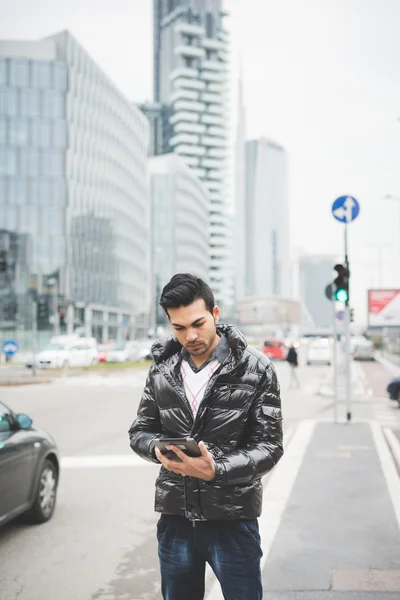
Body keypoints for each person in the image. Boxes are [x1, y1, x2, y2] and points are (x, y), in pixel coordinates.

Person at [129, 274, 283, 600]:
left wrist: (219, 469)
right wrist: (157, 447)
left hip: (233, 518)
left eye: (197, 323)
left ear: (215, 313)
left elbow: (270, 446)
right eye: (179, 328)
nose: (191, 336)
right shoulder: (162, 369)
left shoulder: (254, 367)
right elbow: (140, 430)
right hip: (175, 516)